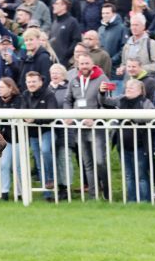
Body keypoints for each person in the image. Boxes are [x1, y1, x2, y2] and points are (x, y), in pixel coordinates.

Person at [100, 79, 155, 202]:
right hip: (123, 144)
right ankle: (131, 200)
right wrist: (102, 92)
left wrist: (131, 117)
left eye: (132, 88)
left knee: (141, 175)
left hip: (140, 145)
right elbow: (105, 102)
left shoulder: (145, 102)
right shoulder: (121, 99)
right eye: (127, 87)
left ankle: (145, 200)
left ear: (140, 90)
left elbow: (150, 117)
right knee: (129, 175)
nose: (128, 89)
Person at [64, 53, 110, 200]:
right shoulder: (74, 80)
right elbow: (67, 100)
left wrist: (95, 118)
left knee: (100, 161)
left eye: (86, 64)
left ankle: (107, 192)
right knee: (87, 163)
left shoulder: (102, 79)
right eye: (81, 64)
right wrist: (68, 114)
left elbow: (108, 103)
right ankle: (93, 196)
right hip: (80, 127)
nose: (84, 66)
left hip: (97, 128)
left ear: (92, 64)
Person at [22, 71, 57, 199]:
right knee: (38, 162)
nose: (31, 84)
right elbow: (23, 112)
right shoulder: (25, 94)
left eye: (34, 81)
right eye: (29, 82)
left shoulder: (49, 94)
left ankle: (50, 178)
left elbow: (51, 115)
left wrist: (34, 119)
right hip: (33, 133)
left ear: (41, 82)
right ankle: (47, 194)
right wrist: (29, 119)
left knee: (45, 151)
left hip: (46, 130)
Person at [48, 63, 74, 198]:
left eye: (57, 72)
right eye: (52, 72)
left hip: (65, 130)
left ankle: (66, 187)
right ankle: (58, 187)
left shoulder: (68, 89)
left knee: (64, 158)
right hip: (50, 130)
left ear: (63, 74)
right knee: (54, 159)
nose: (54, 74)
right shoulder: (47, 89)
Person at [116, 13, 155, 78]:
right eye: (132, 25)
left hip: (145, 80)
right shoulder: (127, 45)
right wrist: (122, 68)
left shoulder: (151, 43)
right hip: (129, 81)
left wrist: (139, 69)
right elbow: (124, 63)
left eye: (137, 25)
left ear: (143, 26)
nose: (134, 28)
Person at [49, 0, 82, 65]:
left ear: (64, 6)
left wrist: (66, 54)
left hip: (64, 62)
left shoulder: (72, 22)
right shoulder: (54, 22)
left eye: (57, 3)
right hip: (53, 60)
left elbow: (77, 40)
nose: (53, 5)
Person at [98, 3, 127, 77]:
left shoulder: (122, 28)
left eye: (107, 13)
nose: (105, 15)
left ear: (114, 14)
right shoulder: (101, 29)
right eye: (103, 13)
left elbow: (124, 48)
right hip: (101, 70)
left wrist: (111, 60)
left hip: (115, 70)